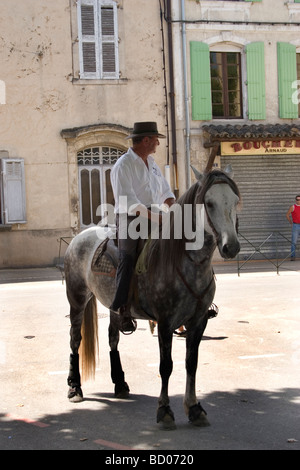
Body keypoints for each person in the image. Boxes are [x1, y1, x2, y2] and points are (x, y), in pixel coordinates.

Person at [110, 122, 176, 334]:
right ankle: (122, 308)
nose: (158, 143)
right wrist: (157, 218)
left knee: (181, 246)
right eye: (156, 139)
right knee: (128, 257)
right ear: (146, 140)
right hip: (130, 217)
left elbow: (166, 193)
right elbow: (129, 202)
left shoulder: (153, 164)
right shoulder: (124, 165)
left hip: (155, 215)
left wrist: (173, 210)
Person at [286, 195, 300, 260]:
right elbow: (287, 215)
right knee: (294, 242)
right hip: (296, 226)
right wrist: (291, 222)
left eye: (299, 200)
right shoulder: (293, 207)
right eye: (297, 200)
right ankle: (292, 256)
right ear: (295, 200)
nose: (298, 201)